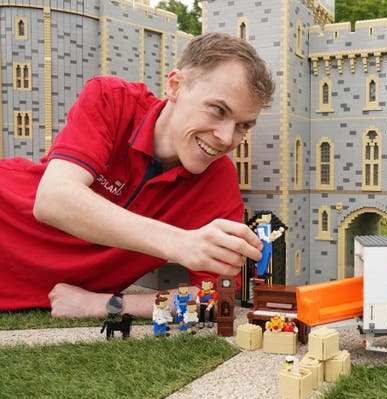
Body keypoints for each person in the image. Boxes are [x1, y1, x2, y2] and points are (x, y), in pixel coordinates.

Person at [0, 32, 275, 318]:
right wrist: (182, 242)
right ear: (175, 86)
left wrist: (106, 304)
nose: (226, 137)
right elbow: (53, 200)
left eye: (243, 126)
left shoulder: (218, 183)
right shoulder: (112, 100)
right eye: (218, 110)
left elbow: (218, 295)